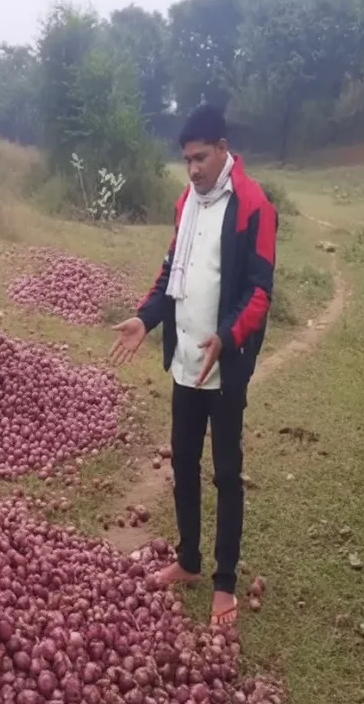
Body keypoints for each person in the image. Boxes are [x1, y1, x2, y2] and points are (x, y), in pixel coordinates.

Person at [108, 104, 277, 626]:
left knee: (226, 472)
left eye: (201, 158)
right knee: (183, 462)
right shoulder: (187, 202)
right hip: (185, 363)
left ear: (223, 149)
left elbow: (259, 290)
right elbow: (170, 276)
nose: (194, 169)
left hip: (225, 368)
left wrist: (227, 339)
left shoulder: (253, 206)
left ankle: (224, 582)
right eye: (187, 161)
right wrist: (146, 318)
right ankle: (189, 560)